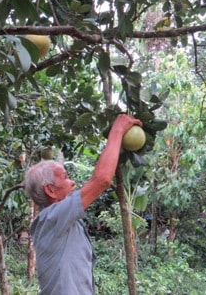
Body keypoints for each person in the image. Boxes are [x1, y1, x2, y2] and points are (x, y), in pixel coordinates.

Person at [25, 114, 142, 295]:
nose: (72, 182)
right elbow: (101, 179)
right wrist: (117, 130)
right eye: (64, 178)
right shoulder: (51, 218)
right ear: (50, 190)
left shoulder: (67, 221)